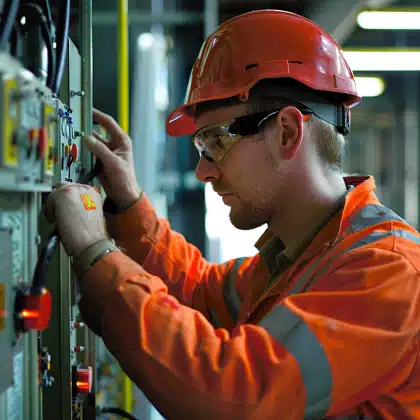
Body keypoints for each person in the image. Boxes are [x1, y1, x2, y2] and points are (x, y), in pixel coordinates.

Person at [45, 9, 420, 420]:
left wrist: (97, 255)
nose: (202, 171)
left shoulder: (387, 274)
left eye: (215, 142)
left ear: (288, 133)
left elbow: (236, 397)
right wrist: (128, 204)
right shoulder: (295, 261)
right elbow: (198, 292)